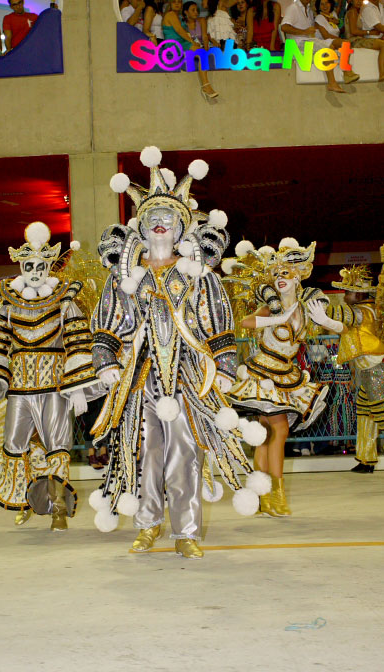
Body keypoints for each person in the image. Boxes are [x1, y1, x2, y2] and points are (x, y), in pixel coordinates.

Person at [89, 146, 270, 559]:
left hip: (189, 377)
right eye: (151, 217)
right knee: (144, 450)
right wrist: (106, 363)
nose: (158, 224)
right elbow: (107, 324)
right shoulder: (123, 276)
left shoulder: (199, 275)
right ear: (140, 224)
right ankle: (148, 525)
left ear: (181, 225)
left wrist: (223, 367)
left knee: (185, 452)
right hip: (140, 379)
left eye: (167, 218)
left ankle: (186, 530)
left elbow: (218, 325)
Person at [0, 222, 98, 532]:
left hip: (55, 388)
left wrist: (77, 390)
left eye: (40, 265)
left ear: (49, 266)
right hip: (20, 390)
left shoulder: (65, 302)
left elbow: (78, 343)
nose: (34, 271)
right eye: (28, 265)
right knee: (15, 446)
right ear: (20, 267)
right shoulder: (6, 306)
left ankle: (58, 507)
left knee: (58, 447)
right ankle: (26, 500)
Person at [225, 238, 329, 517]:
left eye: (286, 273)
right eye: (276, 274)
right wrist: (273, 320)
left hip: (286, 374)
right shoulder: (271, 308)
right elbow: (244, 323)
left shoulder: (307, 311)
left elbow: (335, 324)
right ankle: (276, 495)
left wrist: (330, 321)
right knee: (278, 431)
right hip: (263, 373)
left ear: (298, 277)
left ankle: (263, 498)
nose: (280, 277)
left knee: (270, 434)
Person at [308, 262, 384, 474]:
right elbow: (341, 322)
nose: (344, 295)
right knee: (365, 414)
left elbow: (341, 315)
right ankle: (366, 460)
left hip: (377, 372)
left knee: (380, 415)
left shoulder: (362, 313)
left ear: (359, 295)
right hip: (368, 372)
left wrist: (321, 308)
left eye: (348, 292)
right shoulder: (366, 311)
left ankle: (366, 460)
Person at [281, 0, 360, 92]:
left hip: (311, 40)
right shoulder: (293, 8)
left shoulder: (309, 10)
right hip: (298, 43)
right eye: (322, 4)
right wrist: (304, 32)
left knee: (345, 43)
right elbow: (284, 27)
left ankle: (347, 72)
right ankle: (332, 83)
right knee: (328, 49)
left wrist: (330, 21)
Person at [163, 0, 219, 99]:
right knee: (202, 54)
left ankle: (206, 85)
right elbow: (180, 31)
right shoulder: (170, 14)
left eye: (179, 2)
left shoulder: (179, 17)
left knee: (202, 53)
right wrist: (192, 42)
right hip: (174, 44)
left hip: (183, 43)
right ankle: (206, 86)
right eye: (174, 2)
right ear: (170, 4)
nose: (177, 4)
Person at [345, 0, 384, 82]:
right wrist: (370, 32)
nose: (359, 2)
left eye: (360, 0)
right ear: (351, 1)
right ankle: (382, 74)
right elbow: (353, 31)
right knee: (383, 45)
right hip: (354, 40)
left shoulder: (357, 11)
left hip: (359, 39)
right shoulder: (352, 12)